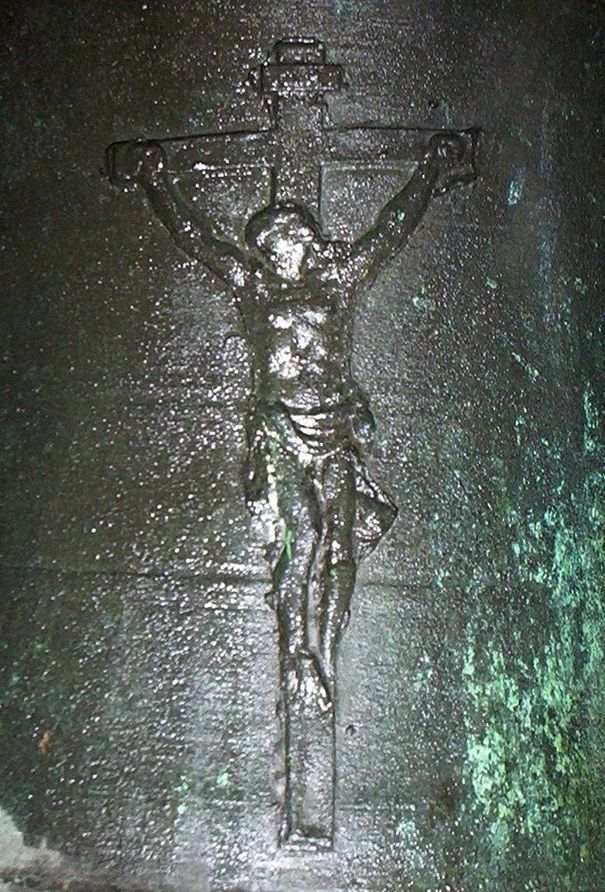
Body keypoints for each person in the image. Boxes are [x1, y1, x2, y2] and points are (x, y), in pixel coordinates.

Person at [113, 129, 474, 726]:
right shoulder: (253, 287)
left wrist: (431, 173)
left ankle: (323, 655)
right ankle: (293, 654)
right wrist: (156, 184)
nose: (280, 251)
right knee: (300, 538)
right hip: (280, 428)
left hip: (334, 430)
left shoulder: (340, 281)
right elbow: (197, 239)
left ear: (305, 242)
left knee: (339, 545)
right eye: (272, 244)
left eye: (288, 241)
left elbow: (390, 232)